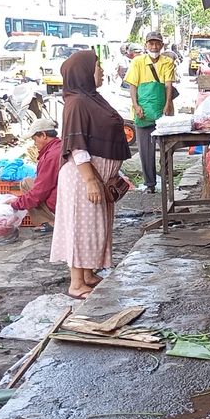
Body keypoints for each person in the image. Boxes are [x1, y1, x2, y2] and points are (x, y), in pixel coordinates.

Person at [50, 51, 132, 299]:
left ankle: (86, 274)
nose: (102, 71)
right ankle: (76, 283)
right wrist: (91, 180)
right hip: (82, 178)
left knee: (94, 226)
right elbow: (77, 146)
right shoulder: (76, 103)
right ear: (84, 72)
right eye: (98, 66)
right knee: (81, 227)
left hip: (96, 177)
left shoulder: (92, 98)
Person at [124, 31, 177, 194]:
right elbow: (133, 86)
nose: (154, 46)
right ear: (146, 45)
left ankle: (167, 178)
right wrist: (136, 105)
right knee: (145, 149)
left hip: (163, 109)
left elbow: (168, 85)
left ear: (162, 45)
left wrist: (168, 104)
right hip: (143, 111)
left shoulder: (168, 62)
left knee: (167, 147)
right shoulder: (137, 62)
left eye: (157, 43)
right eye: (151, 43)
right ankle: (150, 183)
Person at [11, 118, 62, 234]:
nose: (35, 144)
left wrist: (15, 204)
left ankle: (51, 222)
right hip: (66, 197)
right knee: (28, 182)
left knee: (30, 188)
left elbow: (38, 193)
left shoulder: (51, 156)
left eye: (35, 139)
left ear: (43, 135)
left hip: (63, 202)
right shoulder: (58, 147)